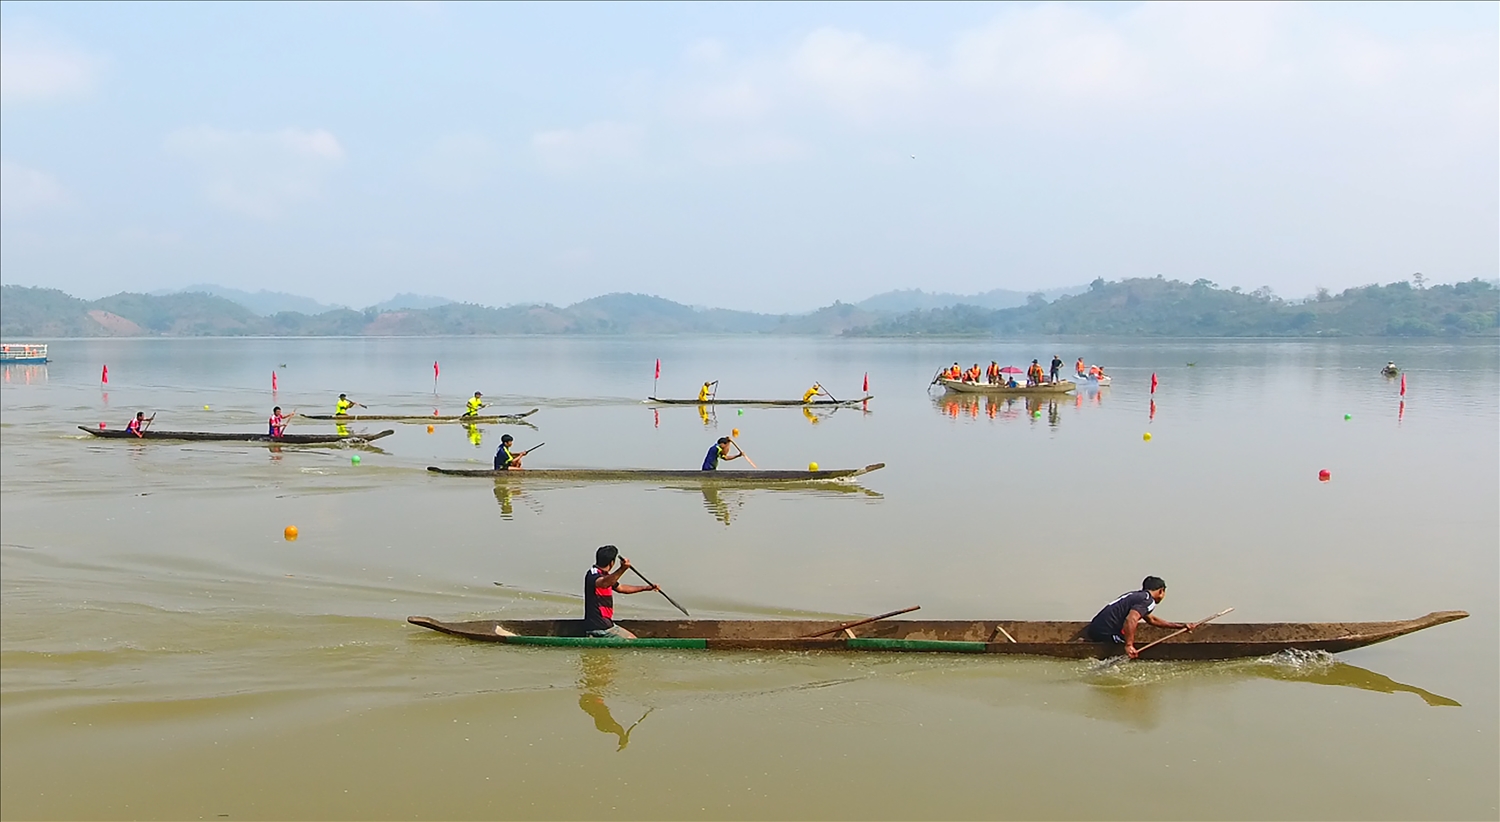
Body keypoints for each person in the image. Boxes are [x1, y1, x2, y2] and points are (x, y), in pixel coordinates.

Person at [1086, 576, 1197, 658]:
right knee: (1131, 653)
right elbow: (1131, 619)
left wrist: (1180, 626)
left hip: (1094, 628)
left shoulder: (1137, 596)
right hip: (1105, 633)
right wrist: (1129, 645)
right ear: (1161, 591)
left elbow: (1152, 620)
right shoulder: (1148, 601)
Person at [584, 545, 659, 639]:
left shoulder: (607, 576)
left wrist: (647, 588)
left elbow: (622, 588)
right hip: (601, 627)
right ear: (612, 563)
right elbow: (603, 583)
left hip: (604, 624)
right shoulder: (593, 574)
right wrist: (622, 569)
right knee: (633, 641)